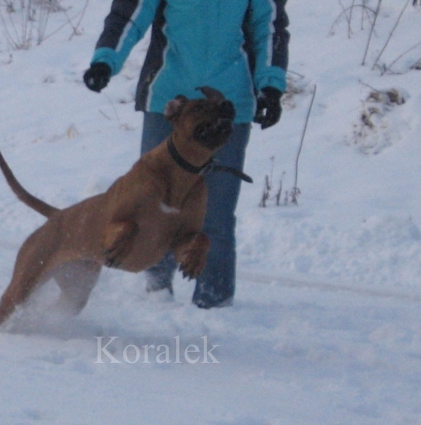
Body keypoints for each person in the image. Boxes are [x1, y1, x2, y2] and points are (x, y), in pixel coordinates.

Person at [84, 0, 289, 308]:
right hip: (169, 100)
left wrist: (270, 87)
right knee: (151, 207)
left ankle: (215, 302)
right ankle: (156, 294)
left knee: (215, 216)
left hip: (228, 104)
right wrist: (106, 60)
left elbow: (269, 27)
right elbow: (130, 14)